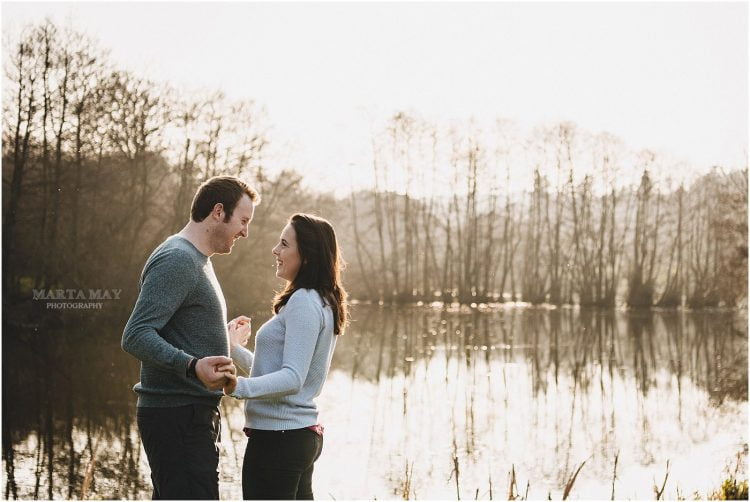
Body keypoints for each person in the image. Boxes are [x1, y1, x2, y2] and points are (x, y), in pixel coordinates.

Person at [122, 175, 260, 500]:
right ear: (217, 212)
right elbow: (136, 334)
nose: (245, 231)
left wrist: (224, 340)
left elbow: (181, 328)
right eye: (242, 221)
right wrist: (192, 365)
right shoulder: (178, 259)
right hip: (177, 415)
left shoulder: (197, 260)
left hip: (189, 414)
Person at [223, 213, 349, 500]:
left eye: (283, 244)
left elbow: (292, 378)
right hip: (294, 438)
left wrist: (237, 387)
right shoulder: (320, 300)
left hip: (280, 441)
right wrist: (234, 350)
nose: (275, 251)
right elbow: (277, 372)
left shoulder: (304, 301)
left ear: (306, 255)